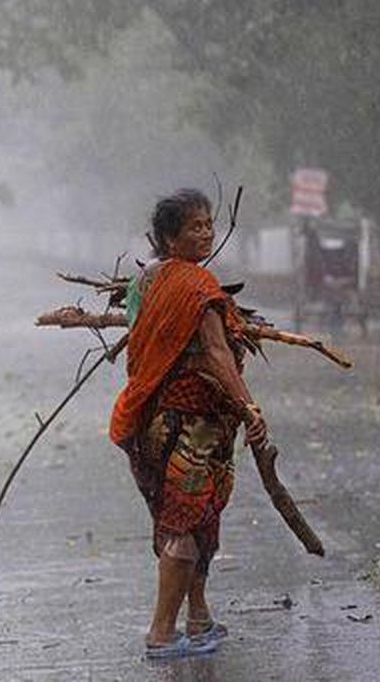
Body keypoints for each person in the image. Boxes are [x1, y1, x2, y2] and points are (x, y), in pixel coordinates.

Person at [110, 188, 269, 659]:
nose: (204, 233)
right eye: (193, 227)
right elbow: (218, 353)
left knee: (192, 518)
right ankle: (161, 633)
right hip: (194, 425)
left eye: (207, 224)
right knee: (184, 522)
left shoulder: (146, 283)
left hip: (151, 422)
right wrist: (249, 407)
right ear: (167, 238)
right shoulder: (198, 287)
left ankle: (198, 618)